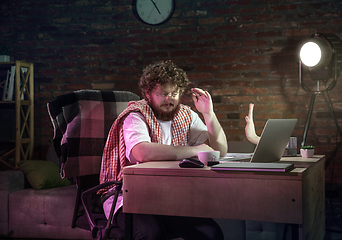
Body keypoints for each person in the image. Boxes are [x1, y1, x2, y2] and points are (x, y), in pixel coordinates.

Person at [99, 60, 227, 240]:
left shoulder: (186, 115)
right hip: (126, 196)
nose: (170, 99)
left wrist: (209, 114)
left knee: (211, 233)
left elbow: (219, 150)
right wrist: (193, 151)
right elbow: (142, 153)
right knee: (150, 234)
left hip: (167, 197)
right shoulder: (136, 115)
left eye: (174, 93)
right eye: (163, 94)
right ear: (148, 93)